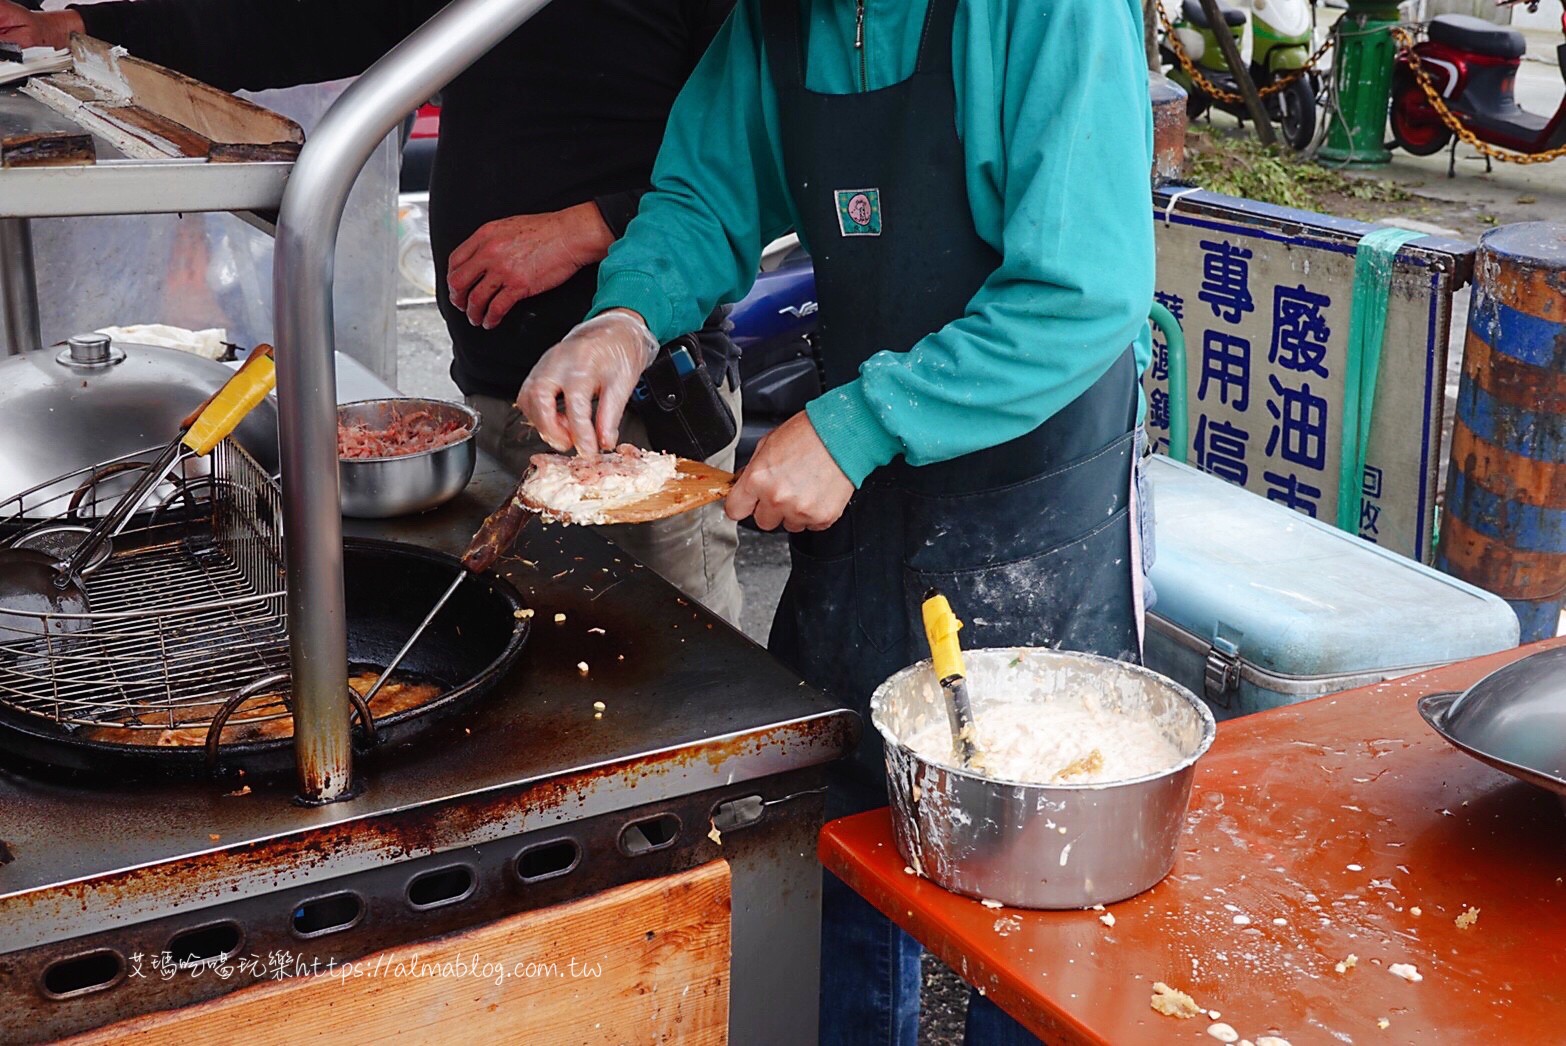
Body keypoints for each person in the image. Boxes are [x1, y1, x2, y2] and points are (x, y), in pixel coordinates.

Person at [517, 0, 1156, 1043]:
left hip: (1027, 504)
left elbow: (1083, 291)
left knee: (1030, 861)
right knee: (838, 820)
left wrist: (859, 422)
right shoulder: (778, 20)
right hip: (859, 482)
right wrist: (624, 318)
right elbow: (700, 192)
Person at [0, 0, 743, 624]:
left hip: (644, 415)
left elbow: (752, 166)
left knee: (680, 672)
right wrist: (82, 28)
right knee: (551, 659)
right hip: (503, 393)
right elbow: (296, 19)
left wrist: (589, 226)